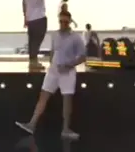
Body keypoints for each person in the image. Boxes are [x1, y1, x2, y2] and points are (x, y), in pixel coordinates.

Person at [16, 10, 85, 139]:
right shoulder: (55, 35)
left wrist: (69, 65)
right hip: (53, 71)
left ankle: (65, 129)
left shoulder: (76, 38)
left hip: (67, 73)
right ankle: (32, 124)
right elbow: (53, 51)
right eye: (61, 21)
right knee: (43, 96)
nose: (63, 24)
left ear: (70, 22)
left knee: (67, 101)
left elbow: (82, 57)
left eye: (65, 22)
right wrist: (51, 63)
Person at [23, 0, 52, 69]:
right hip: (39, 18)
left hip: (30, 19)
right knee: (37, 41)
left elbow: (23, 3)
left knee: (32, 42)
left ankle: (32, 62)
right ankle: (34, 63)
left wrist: (25, 18)